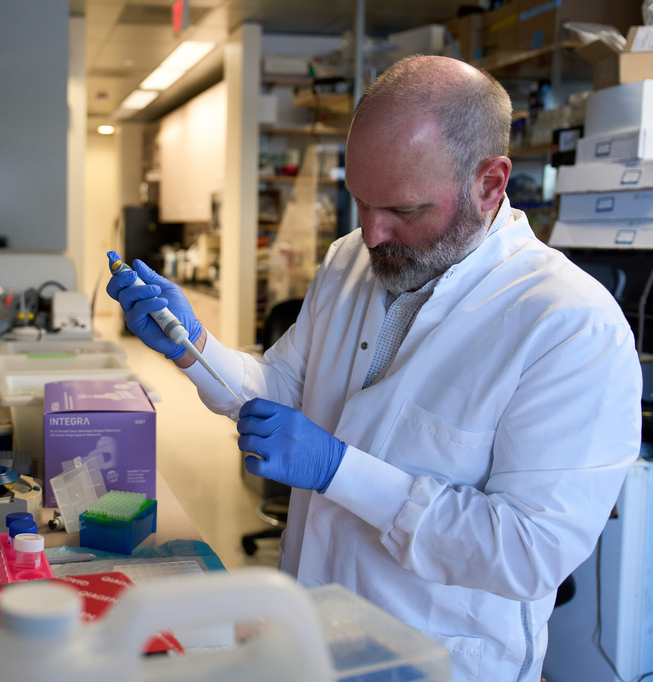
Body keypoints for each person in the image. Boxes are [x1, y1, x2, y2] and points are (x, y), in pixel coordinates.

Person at [107, 55, 642, 682]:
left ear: (490, 185)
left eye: (404, 210)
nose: (372, 233)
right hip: (311, 634)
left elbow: (526, 553)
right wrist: (189, 343)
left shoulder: (568, 324)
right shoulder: (349, 261)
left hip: (437, 660)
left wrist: (340, 470)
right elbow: (280, 389)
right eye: (360, 201)